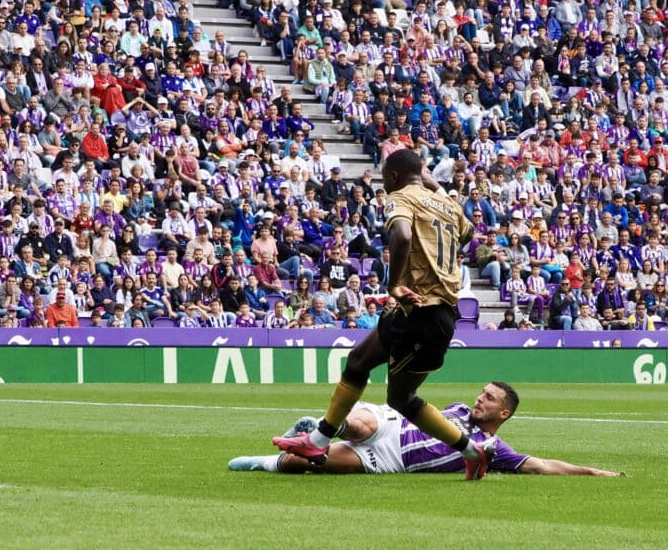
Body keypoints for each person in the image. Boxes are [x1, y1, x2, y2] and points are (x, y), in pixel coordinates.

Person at [273, 150, 491, 480]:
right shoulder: (449, 205)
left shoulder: (399, 197)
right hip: (427, 312)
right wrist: (433, 187)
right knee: (358, 361)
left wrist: (395, 284)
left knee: (401, 399)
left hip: (422, 311)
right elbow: (468, 233)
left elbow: (401, 234)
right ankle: (317, 440)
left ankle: (472, 452)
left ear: (390, 178)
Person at [231, 382, 622, 477]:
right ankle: (322, 430)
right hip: (390, 426)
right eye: (482, 393)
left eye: (489, 399)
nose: (480, 399)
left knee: (310, 467)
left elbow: (543, 465)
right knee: (362, 422)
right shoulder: (456, 410)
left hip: (389, 459)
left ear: (503, 413)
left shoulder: (492, 447)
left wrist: (591, 471)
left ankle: (264, 460)